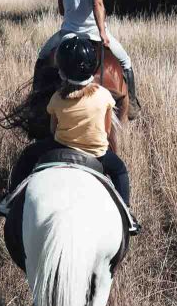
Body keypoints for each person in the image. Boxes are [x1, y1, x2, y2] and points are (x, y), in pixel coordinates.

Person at [9, 36, 131, 205]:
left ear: (61, 72)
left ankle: (10, 202)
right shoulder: (104, 95)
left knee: (26, 156)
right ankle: (127, 211)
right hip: (98, 153)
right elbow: (107, 131)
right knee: (120, 172)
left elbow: (53, 130)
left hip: (60, 146)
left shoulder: (57, 97)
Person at [36, 0, 139, 106]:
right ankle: (132, 103)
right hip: (94, 34)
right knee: (126, 62)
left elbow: (62, 10)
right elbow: (97, 4)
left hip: (67, 34)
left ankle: (36, 100)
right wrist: (103, 33)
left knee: (42, 57)